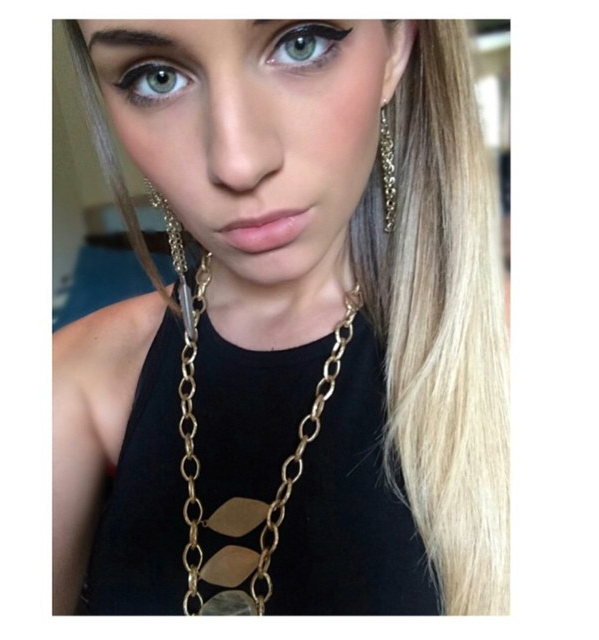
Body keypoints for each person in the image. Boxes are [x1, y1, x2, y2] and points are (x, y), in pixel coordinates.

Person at [53, 19, 509, 616]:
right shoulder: (72, 376)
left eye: (301, 42)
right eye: (156, 77)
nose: (238, 164)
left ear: (396, 44)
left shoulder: (515, 351)